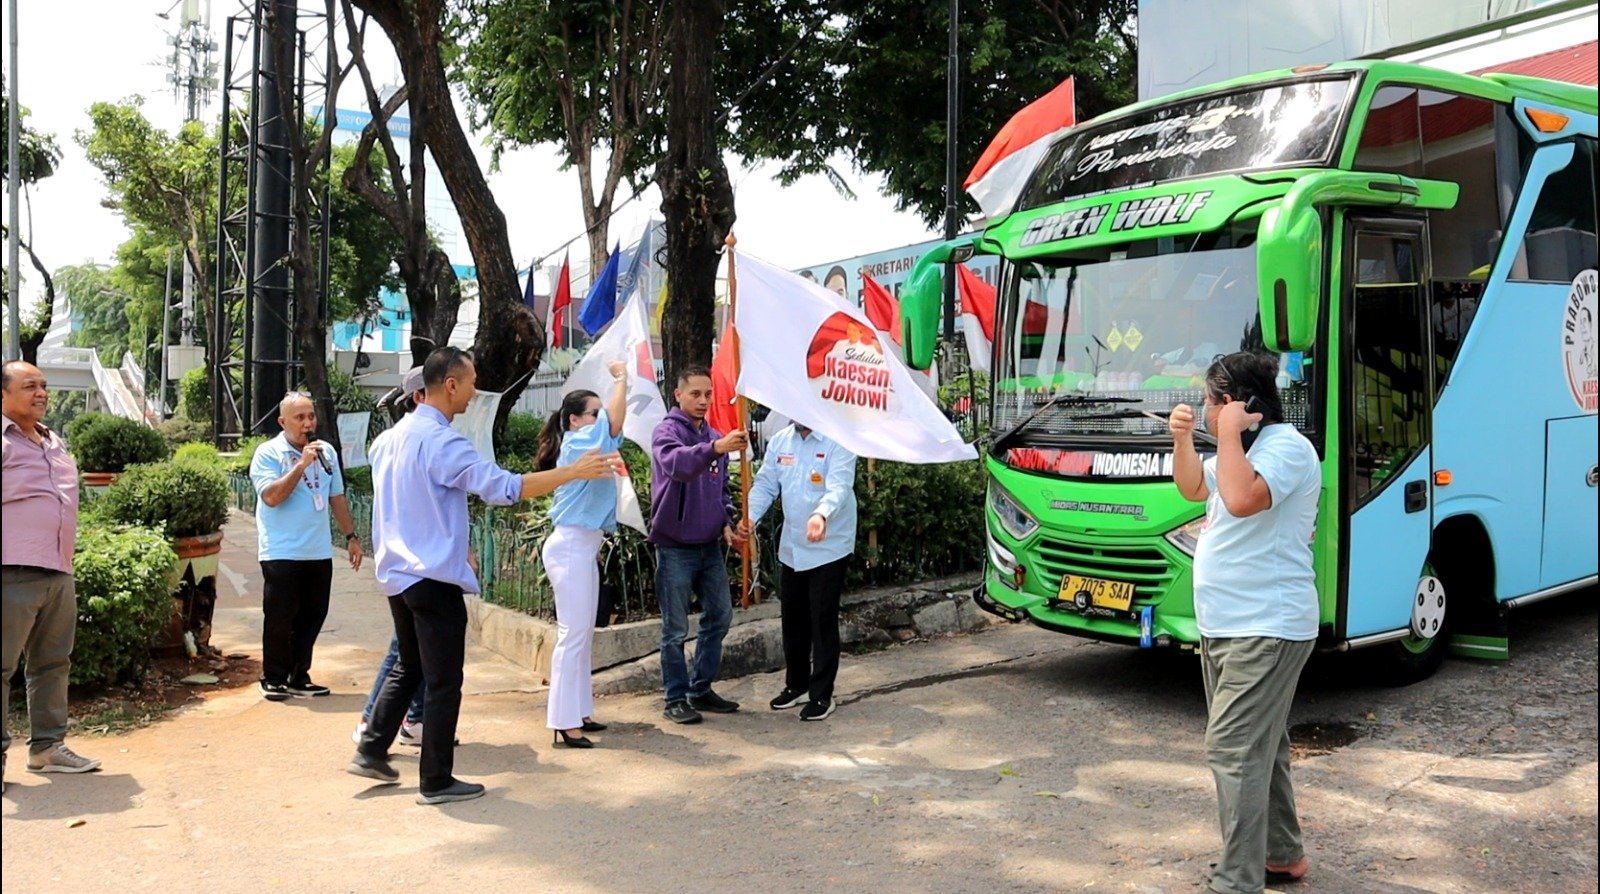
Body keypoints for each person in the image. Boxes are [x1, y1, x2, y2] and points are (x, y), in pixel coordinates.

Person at [349, 347, 619, 805]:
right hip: (430, 576)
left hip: (397, 572)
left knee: (410, 665)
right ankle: (435, 780)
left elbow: (416, 504)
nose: (475, 393)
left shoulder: (388, 440)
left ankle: (373, 746)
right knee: (442, 681)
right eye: (471, 382)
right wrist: (569, 472)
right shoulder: (443, 442)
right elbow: (504, 488)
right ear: (449, 384)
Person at [1168, 351, 1321, 894]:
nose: (1207, 413)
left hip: (1267, 626)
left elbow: (1240, 498)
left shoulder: (1287, 449)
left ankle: (1237, 881)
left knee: (1232, 749)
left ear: (1238, 405)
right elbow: (1193, 488)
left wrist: (1228, 434)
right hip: (1229, 624)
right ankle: (1281, 856)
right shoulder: (1241, 449)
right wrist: (1184, 439)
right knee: (1263, 746)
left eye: (1212, 403)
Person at [1, 361, 101, 792]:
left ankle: (47, 748)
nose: (41, 392)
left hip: (57, 570)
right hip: (10, 571)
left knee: (53, 663)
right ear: (3, 394)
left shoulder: (54, 441)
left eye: (43, 385)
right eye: (29, 386)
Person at [535, 360, 629, 749]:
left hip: (584, 546)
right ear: (574, 420)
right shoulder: (577, 443)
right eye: (593, 412)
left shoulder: (593, 442)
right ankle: (563, 720)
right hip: (571, 544)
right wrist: (622, 379)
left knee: (582, 634)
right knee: (572, 635)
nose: (600, 416)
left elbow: (614, 428)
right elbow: (615, 423)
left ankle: (580, 711)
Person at [649, 366, 749, 725]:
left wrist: (726, 522)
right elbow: (677, 465)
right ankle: (674, 697)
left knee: (720, 616)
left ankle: (700, 687)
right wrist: (714, 448)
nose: (704, 401)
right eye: (695, 394)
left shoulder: (714, 435)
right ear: (678, 394)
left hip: (709, 547)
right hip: (674, 546)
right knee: (675, 628)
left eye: (708, 394)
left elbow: (720, 490)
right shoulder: (666, 432)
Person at [739, 421, 857, 721]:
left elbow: (840, 487)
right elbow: (766, 484)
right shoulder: (781, 441)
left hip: (829, 544)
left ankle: (822, 695)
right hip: (792, 545)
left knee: (821, 620)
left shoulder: (838, 439)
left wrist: (821, 514)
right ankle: (797, 685)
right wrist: (750, 517)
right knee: (793, 619)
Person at [250, 392, 364, 702]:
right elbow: (271, 497)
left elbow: (336, 497)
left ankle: (298, 676)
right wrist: (301, 466)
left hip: (317, 551)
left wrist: (351, 536)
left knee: (313, 615)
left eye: (311, 416)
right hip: (281, 551)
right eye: (300, 418)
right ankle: (273, 677)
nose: (308, 423)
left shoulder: (325, 451)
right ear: (282, 421)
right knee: (280, 617)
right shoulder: (268, 453)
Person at [352, 366, 428, 747]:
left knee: (409, 652)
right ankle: (374, 727)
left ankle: (406, 721)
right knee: (407, 654)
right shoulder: (416, 440)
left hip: (398, 560)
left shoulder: (389, 441)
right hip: (414, 564)